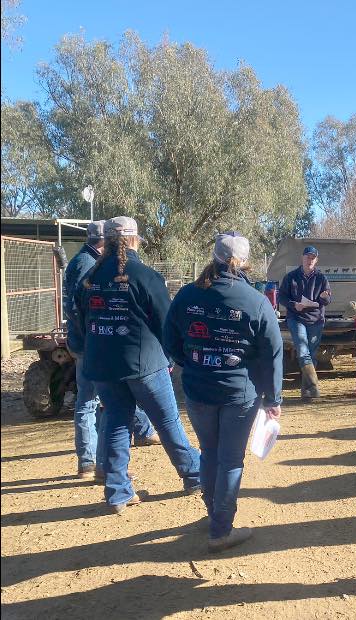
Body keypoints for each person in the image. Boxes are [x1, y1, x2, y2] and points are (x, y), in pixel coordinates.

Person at [164, 232, 284, 553]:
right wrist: (273, 399)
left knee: (209, 453)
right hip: (239, 395)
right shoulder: (255, 301)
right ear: (242, 261)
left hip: (198, 390)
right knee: (231, 460)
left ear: (214, 256)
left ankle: (213, 513)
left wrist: (188, 362)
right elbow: (273, 352)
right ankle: (221, 529)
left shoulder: (188, 295)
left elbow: (170, 337)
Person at [73, 216, 201, 514]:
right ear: (132, 240)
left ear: (105, 241)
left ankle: (117, 492)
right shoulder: (145, 275)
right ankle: (194, 474)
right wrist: (172, 358)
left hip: (103, 366)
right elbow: (167, 324)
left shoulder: (89, 279)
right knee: (167, 421)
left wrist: (83, 351)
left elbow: (80, 324)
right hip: (145, 365)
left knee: (116, 421)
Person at [63, 221, 160, 480]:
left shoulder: (83, 261)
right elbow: (76, 308)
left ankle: (140, 433)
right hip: (90, 345)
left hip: (88, 343)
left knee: (108, 400)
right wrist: (92, 335)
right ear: (104, 241)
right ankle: (91, 462)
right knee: (93, 403)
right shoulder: (88, 265)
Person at [278, 245, 331, 400]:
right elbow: (281, 297)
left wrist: (324, 297)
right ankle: (314, 389)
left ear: (316, 260)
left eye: (313, 257)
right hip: (296, 318)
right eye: (307, 257)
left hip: (316, 319)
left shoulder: (321, 278)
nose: (310, 260)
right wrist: (294, 304)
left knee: (312, 354)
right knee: (303, 351)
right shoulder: (291, 277)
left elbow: (327, 300)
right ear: (302, 258)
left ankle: (307, 393)